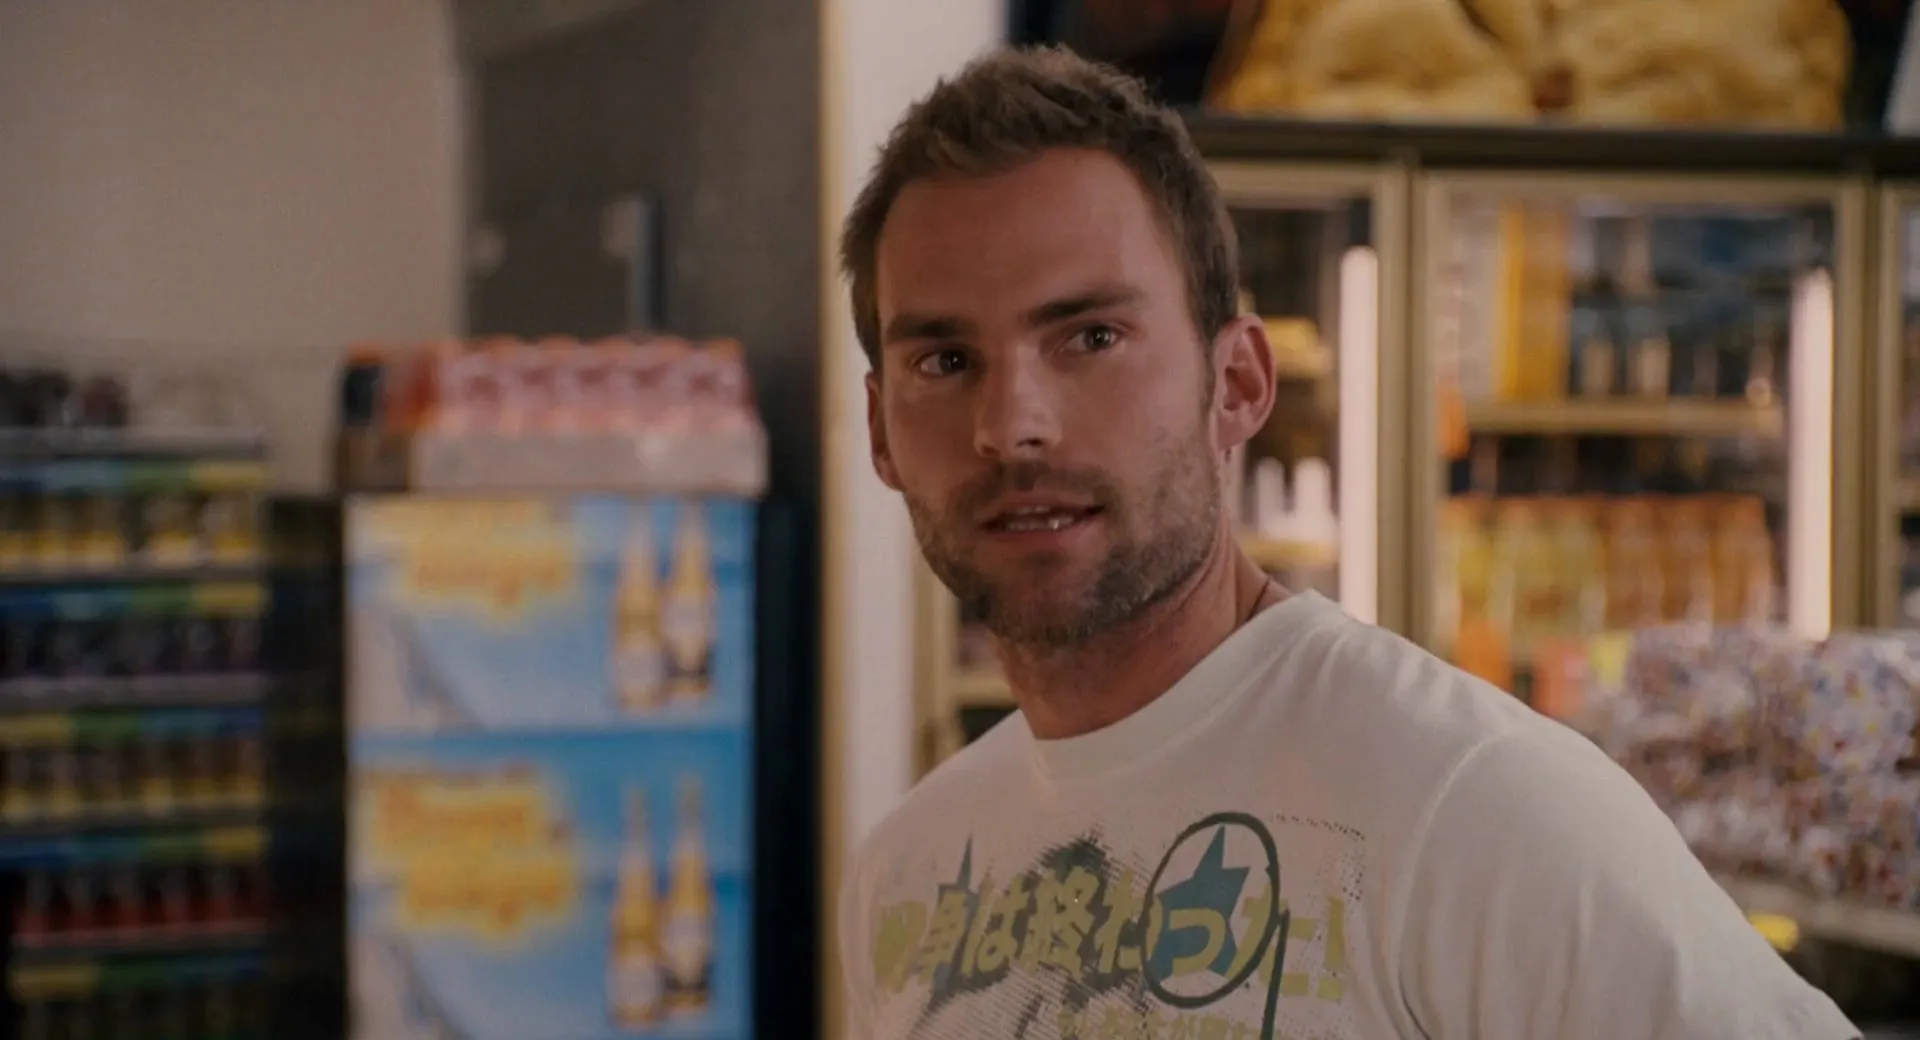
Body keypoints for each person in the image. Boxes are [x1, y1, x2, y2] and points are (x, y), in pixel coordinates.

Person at [834, 44, 1858, 1040]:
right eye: (945, 360)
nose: (1011, 424)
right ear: (880, 431)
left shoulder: (1474, 803)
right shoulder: (905, 875)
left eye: (1091, 337)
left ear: (1237, 385)